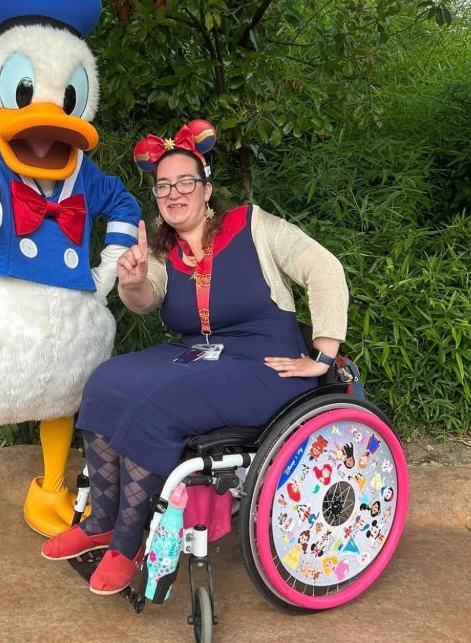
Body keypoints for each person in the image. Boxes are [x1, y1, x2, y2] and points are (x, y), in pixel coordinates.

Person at [40, 119, 349, 594]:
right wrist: (135, 279)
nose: (174, 192)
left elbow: (325, 268)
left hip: (266, 366)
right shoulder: (164, 252)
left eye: (186, 182)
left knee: (159, 401)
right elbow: (147, 300)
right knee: (105, 380)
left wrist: (323, 355)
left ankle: (128, 543)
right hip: (198, 355)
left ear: (207, 190)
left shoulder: (254, 226)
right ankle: (100, 520)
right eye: (163, 185)